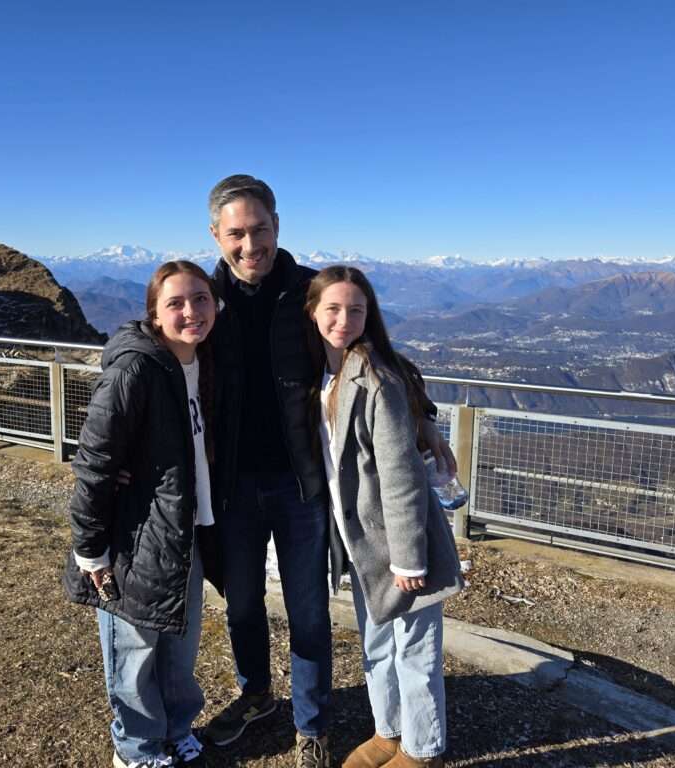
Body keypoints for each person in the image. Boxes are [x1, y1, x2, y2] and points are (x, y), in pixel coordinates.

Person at [201, 174, 456, 768]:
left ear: (277, 226)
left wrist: (422, 418)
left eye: (259, 229)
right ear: (216, 235)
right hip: (233, 483)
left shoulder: (307, 291)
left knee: (309, 608)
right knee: (241, 604)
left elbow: (373, 354)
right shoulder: (202, 299)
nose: (249, 244)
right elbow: (160, 353)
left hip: (302, 484)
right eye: (235, 233)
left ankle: (311, 722)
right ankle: (256, 695)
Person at [63, 261, 223, 768]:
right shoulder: (135, 368)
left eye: (200, 298)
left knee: (179, 640)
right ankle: (136, 748)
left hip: (185, 528)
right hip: (132, 535)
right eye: (175, 302)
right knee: (132, 651)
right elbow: (94, 462)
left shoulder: (204, 363)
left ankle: (176, 728)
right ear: (154, 313)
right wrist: (91, 549)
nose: (191, 311)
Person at [306, 265, 465, 768]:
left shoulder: (375, 378)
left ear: (369, 314)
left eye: (356, 309)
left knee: (415, 650)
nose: (344, 319)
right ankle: (388, 731)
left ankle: (422, 751)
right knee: (377, 643)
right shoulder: (326, 373)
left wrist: (411, 560)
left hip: (399, 546)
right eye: (332, 308)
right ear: (312, 311)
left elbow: (399, 476)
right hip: (361, 545)